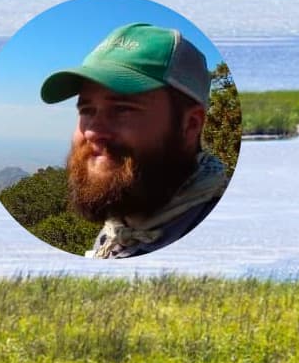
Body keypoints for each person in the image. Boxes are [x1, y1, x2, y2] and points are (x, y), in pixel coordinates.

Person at [40, 22, 227, 258]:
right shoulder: (117, 231)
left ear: (190, 125)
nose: (92, 132)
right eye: (87, 110)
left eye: (122, 109)